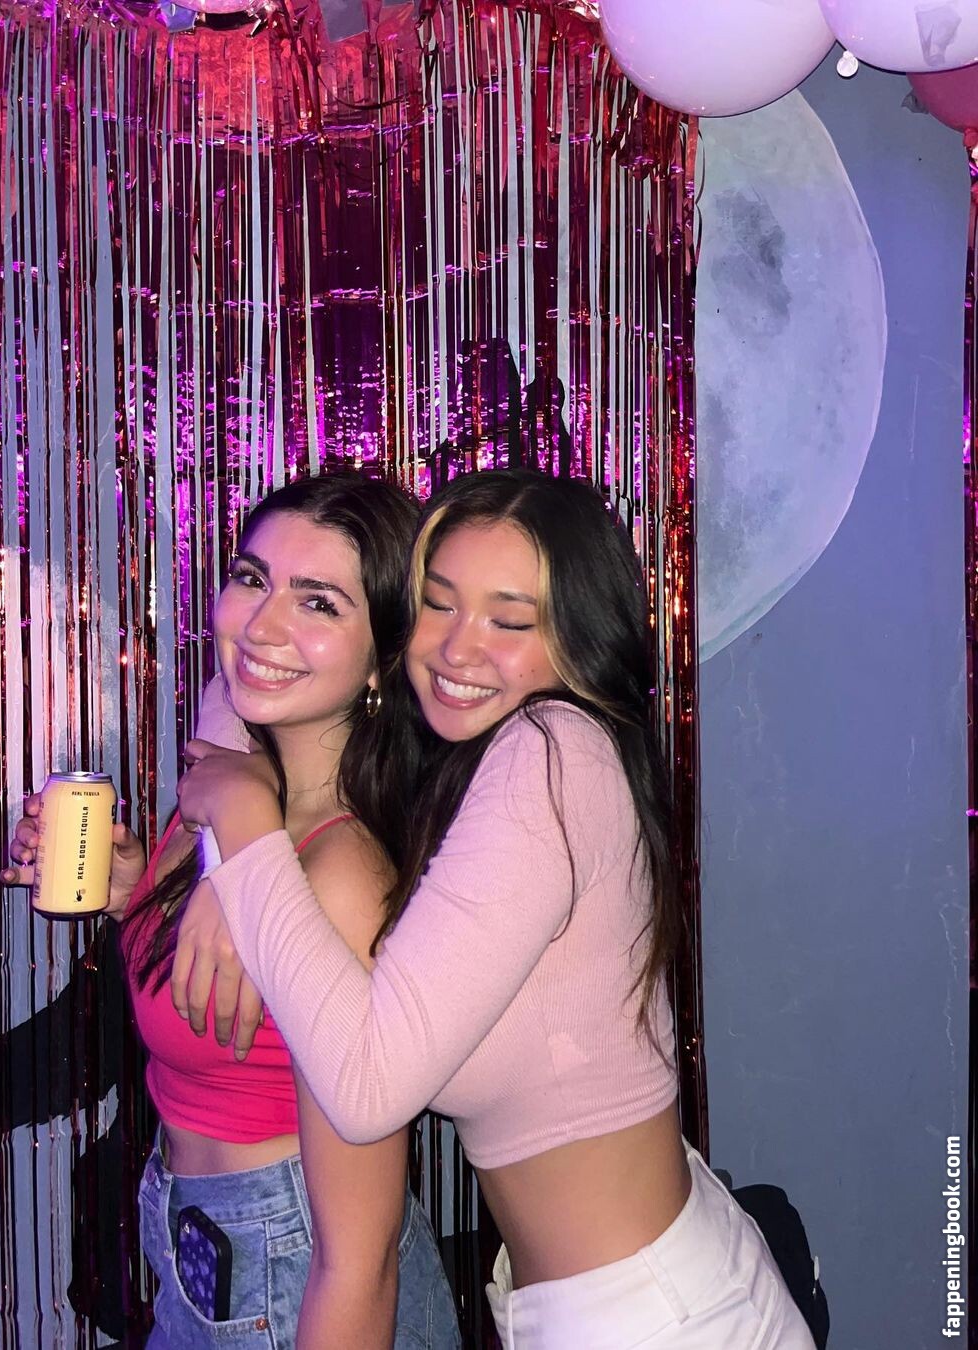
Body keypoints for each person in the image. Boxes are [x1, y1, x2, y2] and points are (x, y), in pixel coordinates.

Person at [172, 468, 817, 1349]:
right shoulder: (472, 748)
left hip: (653, 1316)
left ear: (580, 640)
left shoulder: (552, 754)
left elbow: (365, 1092)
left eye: (509, 622)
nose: (456, 649)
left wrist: (246, 835)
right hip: (609, 1287)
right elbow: (248, 680)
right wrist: (223, 860)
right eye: (438, 605)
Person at [3, 474, 460, 1349]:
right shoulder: (228, 790)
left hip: (294, 1273)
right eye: (252, 578)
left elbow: (357, 1261)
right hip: (199, 1244)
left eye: (318, 602)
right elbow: (225, 1003)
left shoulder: (339, 875)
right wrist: (137, 895)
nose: (261, 624)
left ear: (381, 656)